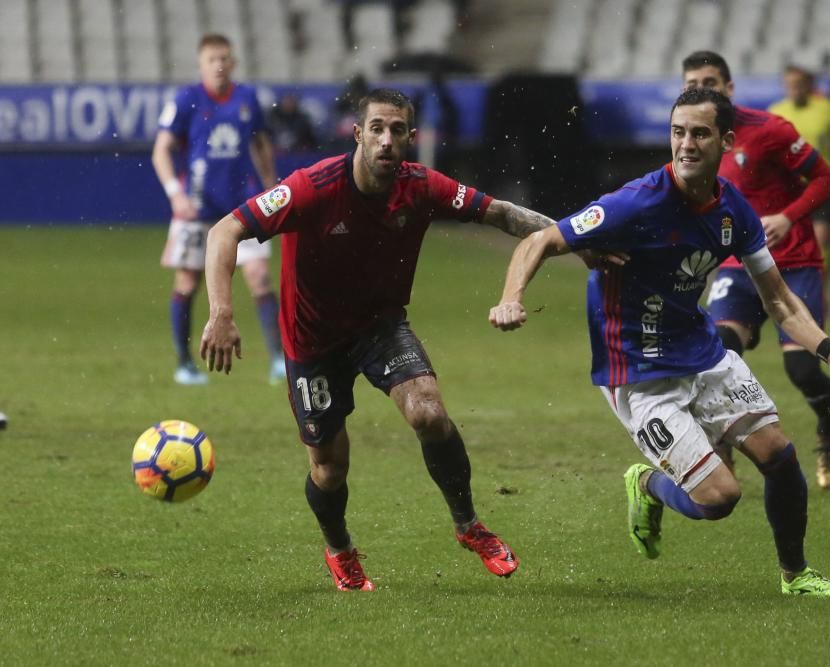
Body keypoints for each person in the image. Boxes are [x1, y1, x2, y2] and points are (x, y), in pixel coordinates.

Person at [488, 87, 830, 597]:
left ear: (726, 141)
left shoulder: (732, 210)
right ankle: (647, 484)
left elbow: (779, 299)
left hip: (703, 354)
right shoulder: (636, 202)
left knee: (780, 456)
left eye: (699, 133)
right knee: (720, 498)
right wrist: (511, 297)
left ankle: (796, 575)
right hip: (638, 373)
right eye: (678, 133)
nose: (687, 144)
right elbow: (542, 239)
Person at [199, 88, 571, 591]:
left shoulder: (421, 186)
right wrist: (222, 312)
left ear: (411, 138)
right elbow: (225, 231)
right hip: (312, 340)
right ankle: (340, 549)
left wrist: (584, 243)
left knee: (429, 412)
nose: (387, 139)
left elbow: (503, 214)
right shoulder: (312, 188)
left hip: (379, 325)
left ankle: (469, 526)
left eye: (397, 130)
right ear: (358, 134)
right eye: (377, 128)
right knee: (330, 468)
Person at [681, 51, 830, 489]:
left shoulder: (770, 130)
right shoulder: (691, 143)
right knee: (716, 352)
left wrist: (788, 216)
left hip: (792, 261)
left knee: (803, 371)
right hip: (737, 265)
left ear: (729, 90)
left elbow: (828, 179)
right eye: (693, 82)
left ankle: (828, 426)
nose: (702, 89)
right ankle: (720, 447)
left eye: (711, 82)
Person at [152, 33, 284, 386]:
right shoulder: (187, 99)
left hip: (243, 209)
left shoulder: (247, 98)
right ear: (201, 65)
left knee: (259, 277)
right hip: (197, 208)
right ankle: (184, 363)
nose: (220, 65)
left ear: (234, 62)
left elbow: (260, 142)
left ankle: (278, 360)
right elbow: (161, 149)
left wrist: (272, 186)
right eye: (212, 59)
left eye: (225, 58)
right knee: (188, 281)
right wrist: (174, 194)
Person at [770, 64, 830, 269]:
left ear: (809, 85)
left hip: (820, 183)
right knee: (787, 240)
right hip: (788, 186)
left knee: (822, 241)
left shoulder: (827, 109)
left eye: (800, 84)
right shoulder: (776, 112)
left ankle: (817, 289)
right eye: (791, 85)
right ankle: (795, 287)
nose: (796, 89)